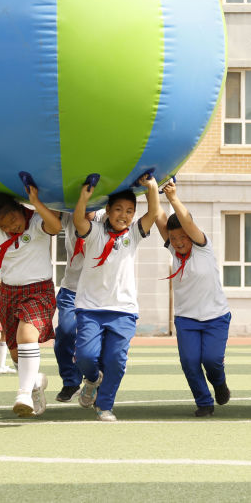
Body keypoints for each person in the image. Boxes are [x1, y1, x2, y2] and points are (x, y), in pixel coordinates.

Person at [0, 180, 62, 417]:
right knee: (16, 353)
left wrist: (36, 202)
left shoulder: (36, 222)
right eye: (5, 225)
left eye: (14, 219)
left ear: (19, 209)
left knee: (27, 336)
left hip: (38, 291)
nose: (12, 227)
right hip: (8, 293)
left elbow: (55, 227)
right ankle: (35, 383)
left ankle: (23, 394)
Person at [72, 174, 161, 421]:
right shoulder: (95, 232)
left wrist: (152, 187)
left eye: (130, 211)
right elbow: (79, 219)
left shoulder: (132, 234)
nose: (124, 215)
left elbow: (153, 213)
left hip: (123, 310)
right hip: (90, 308)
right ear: (108, 210)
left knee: (116, 361)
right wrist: (85, 197)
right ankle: (91, 380)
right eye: (118, 209)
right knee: (86, 357)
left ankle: (105, 405)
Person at [156, 179, 232, 417]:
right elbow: (159, 218)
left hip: (215, 317)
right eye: (174, 238)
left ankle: (219, 382)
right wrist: (151, 187)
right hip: (186, 319)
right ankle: (204, 402)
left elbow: (186, 220)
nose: (178, 242)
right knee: (189, 362)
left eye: (182, 237)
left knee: (211, 361)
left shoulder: (201, 245)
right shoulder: (173, 250)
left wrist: (173, 198)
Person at [54, 207, 104, 402]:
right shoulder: (69, 215)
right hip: (71, 289)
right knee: (65, 332)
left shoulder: (105, 216)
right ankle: (70, 381)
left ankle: (96, 381)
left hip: (98, 292)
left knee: (97, 343)